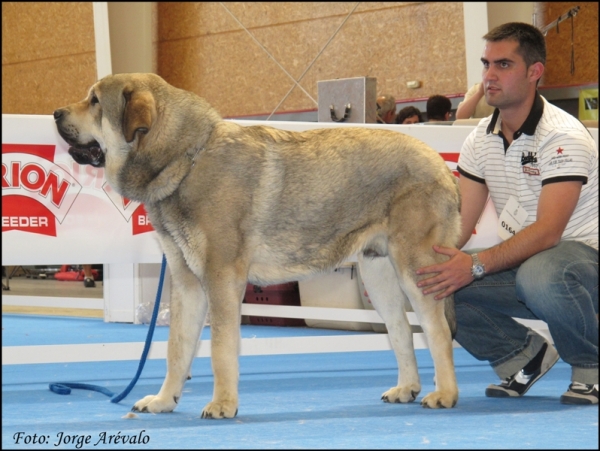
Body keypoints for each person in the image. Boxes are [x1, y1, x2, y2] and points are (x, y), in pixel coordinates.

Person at [416, 22, 598, 405]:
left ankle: (591, 367)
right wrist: (417, 260)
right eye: (486, 65)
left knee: (541, 273)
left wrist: (476, 265)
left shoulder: (563, 136)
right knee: (431, 281)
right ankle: (522, 356)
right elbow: (459, 225)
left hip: (583, 263)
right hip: (534, 267)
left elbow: (549, 233)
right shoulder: (480, 138)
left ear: (535, 72)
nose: (488, 77)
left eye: (503, 65)